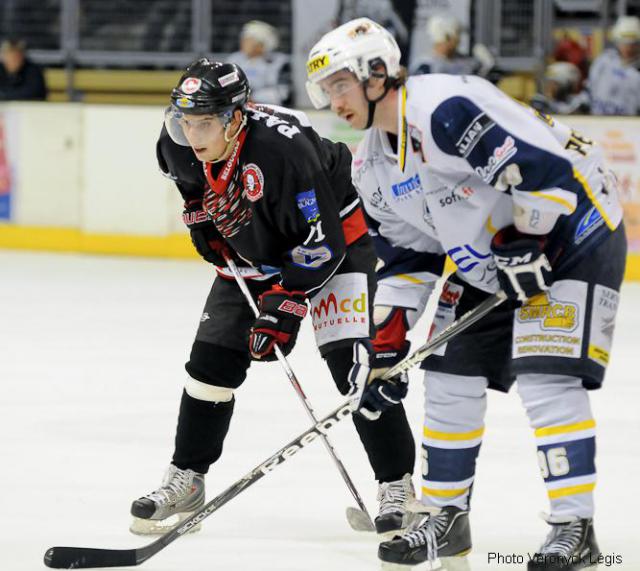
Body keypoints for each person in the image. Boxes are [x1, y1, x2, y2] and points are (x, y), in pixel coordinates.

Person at [306, 18, 626, 570]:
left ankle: (575, 527)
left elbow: (546, 171)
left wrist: (525, 239)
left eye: (340, 83)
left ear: (376, 72)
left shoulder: (443, 108)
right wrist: (386, 341)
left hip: (574, 233)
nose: (334, 100)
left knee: (546, 377)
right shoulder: (370, 166)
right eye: (325, 90)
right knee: (449, 379)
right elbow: (411, 258)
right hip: (491, 262)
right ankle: (447, 520)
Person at [129, 58, 419, 537]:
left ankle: (398, 486)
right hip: (254, 247)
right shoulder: (177, 144)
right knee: (209, 367)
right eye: (184, 119)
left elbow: (322, 242)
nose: (191, 133)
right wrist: (203, 221)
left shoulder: (282, 151)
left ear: (235, 117)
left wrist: (285, 305)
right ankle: (188, 479)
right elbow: (192, 191)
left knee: (354, 368)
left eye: (204, 122)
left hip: (336, 245)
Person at [410, 14, 495, 80]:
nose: (459, 40)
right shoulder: (425, 65)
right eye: (457, 34)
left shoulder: (465, 62)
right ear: (446, 36)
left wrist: (486, 66)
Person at [227, 21, 291, 106]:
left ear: (261, 44)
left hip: (266, 109)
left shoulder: (279, 62)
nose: (242, 42)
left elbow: (283, 94)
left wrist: (252, 97)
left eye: (248, 40)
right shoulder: (234, 60)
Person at [588, 15, 640, 115]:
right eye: (624, 42)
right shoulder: (603, 62)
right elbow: (589, 90)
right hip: (596, 123)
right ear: (617, 41)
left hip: (629, 126)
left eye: (633, 43)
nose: (628, 47)